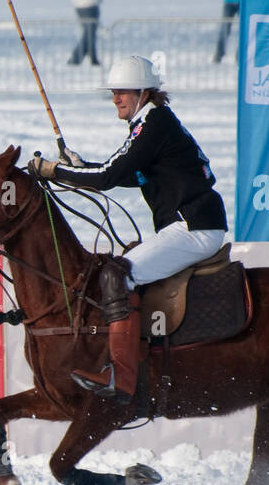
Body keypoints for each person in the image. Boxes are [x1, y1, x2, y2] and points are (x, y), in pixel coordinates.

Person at [27, 55, 228, 402]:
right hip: (189, 224)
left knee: (117, 274)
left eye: (123, 92)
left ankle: (121, 374)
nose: (116, 99)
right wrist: (80, 166)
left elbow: (108, 176)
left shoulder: (154, 124)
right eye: (115, 92)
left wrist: (54, 171)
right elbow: (132, 174)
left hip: (193, 226)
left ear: (143, 93)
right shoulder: (148, 123)